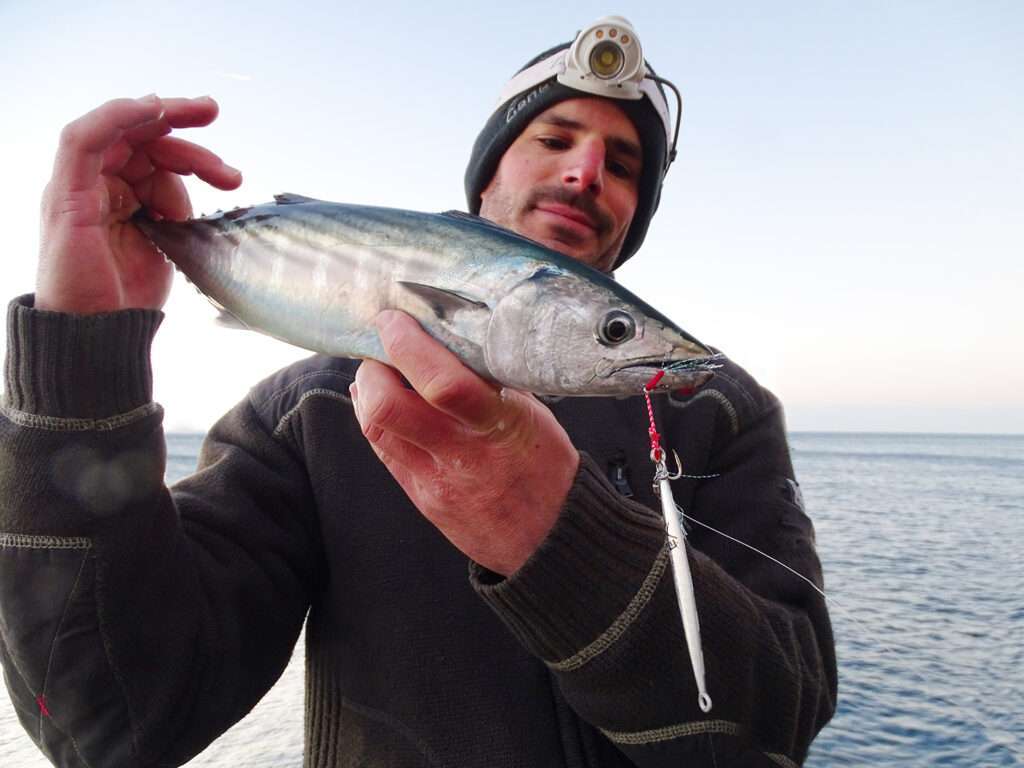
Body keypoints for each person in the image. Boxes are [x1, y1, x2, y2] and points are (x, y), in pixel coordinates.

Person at [0, 17, 836, 768]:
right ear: (488, 178)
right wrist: (81, 365)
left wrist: (557, 534)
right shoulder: (311, 410)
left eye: (623, 165)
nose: (587, 173)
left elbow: (778, 724)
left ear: (636, 211)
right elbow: (108, 723)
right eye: (555, 138)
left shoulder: (718, 409)